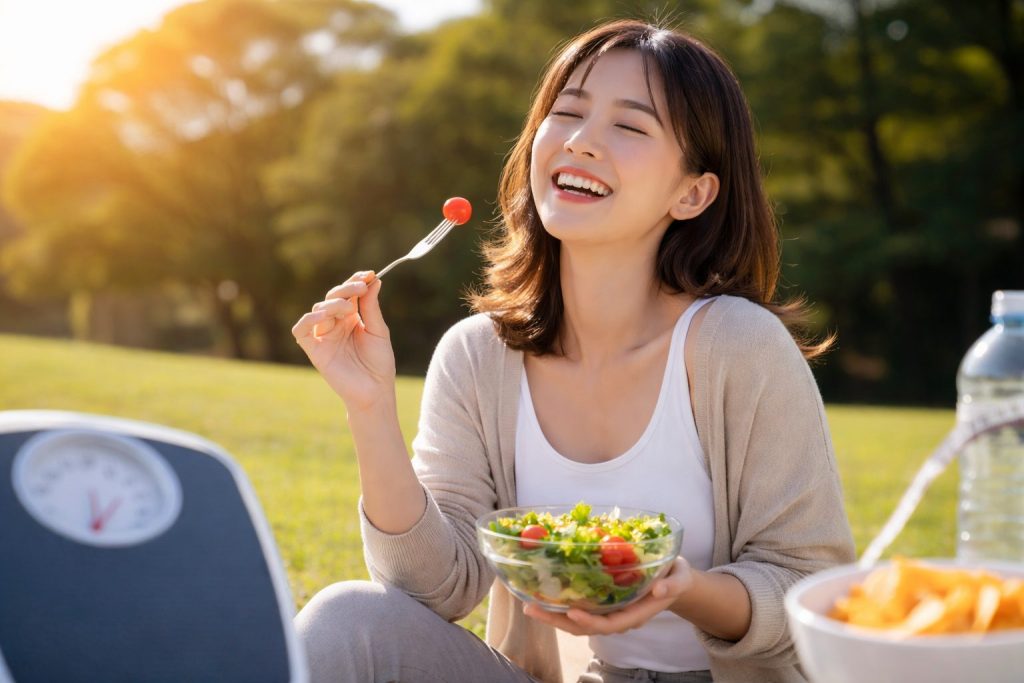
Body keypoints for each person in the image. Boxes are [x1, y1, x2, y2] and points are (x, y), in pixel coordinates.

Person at [290, 18, 855, 683]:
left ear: (693, 191)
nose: (583, 141)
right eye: (567, 113)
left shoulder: (739, 347)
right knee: (345, 621)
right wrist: (369, 406)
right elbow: (437, 589)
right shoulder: (478, 356)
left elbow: (812, 588)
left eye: (631, 126)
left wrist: (679, 588)